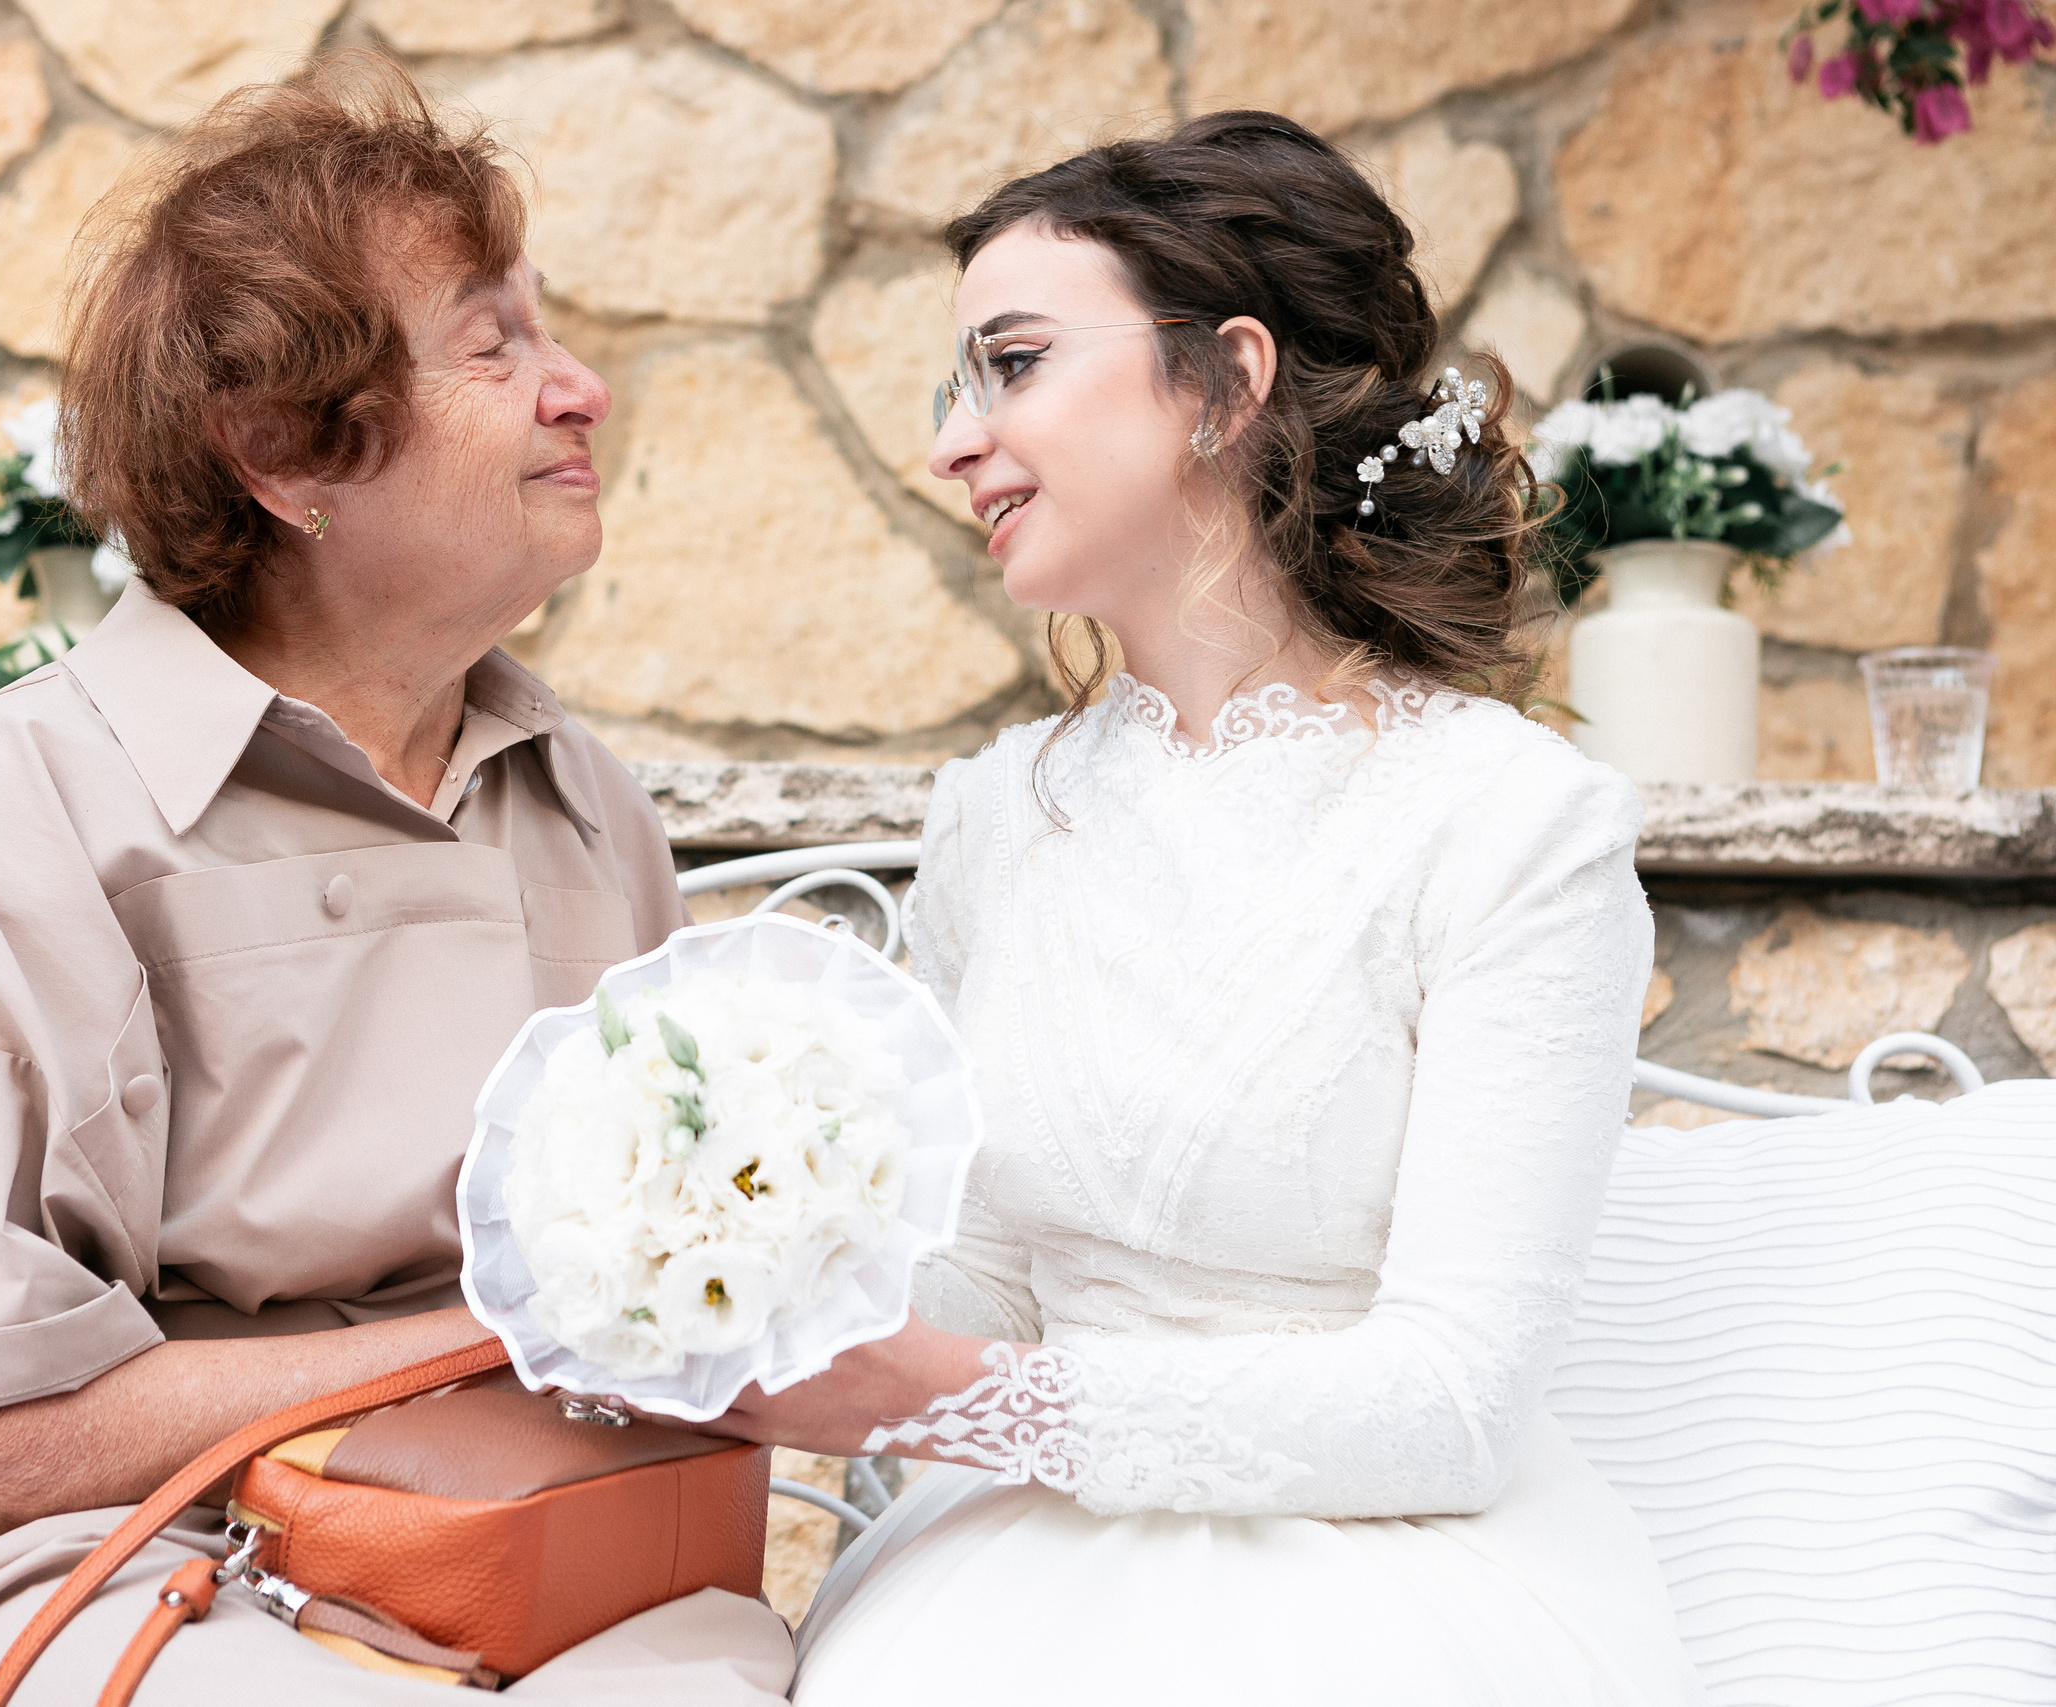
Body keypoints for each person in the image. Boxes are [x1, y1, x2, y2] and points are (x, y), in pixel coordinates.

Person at [0, 60, 793, 1706]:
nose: (577, 388)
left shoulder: (576, 797)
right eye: (493, 343)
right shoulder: (57, 788)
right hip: (116, 1561)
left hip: (518, 1543)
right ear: (287, 454)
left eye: (548, 332)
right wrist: (520, 1330)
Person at [711, 114, 1707, 1704]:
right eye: (956, 384)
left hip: (1383, 1580)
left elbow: (1455, 1403)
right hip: (1002, 1577)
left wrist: (967, 1405)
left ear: (1229, 381)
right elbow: (986, 1274)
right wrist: (747, 1253)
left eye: (1014, 362)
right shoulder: (994, 814)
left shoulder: (1510, 827)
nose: (953, 443)